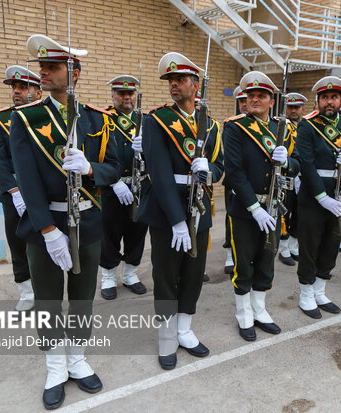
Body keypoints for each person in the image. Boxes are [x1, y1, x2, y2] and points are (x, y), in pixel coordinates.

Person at [10, 34, 121, 409]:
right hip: (46, 225)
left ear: (73, 72)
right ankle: (55, 365)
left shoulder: (97, 119)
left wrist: (92, 168)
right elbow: (25, 179)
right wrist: (46, 229)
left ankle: (76, 358)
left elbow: (115, 168)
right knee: (46, 298)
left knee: (82, 297)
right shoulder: (26, 118)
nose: (43, 72)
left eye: (52, 67)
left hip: (87, 221)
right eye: (42, 66)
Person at [134, 52, 223, 369]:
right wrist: (176, 221)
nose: (174, 85)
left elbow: (221, 167)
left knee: (193, 274)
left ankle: (184, 330)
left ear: (196, 85)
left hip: (199, 208)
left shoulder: (210, 125)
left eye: (181, 79)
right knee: (167, 274)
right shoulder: (155, 120)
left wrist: (208, 168)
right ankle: (167, 337)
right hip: (165, 211)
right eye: (171, 80)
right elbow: (157, 174)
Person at [223, 71, 298, 341]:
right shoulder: (234, 127)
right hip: (245, 208)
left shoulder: (284, 128)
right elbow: (234, 171)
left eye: (261, 96)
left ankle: (259, 309)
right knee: (244, 262)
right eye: (250, 95)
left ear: (271, 100)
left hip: (275, 207)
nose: (255, 99)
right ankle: (244, 315)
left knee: (267, 260)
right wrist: (254, 207)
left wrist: (287, 161)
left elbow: (298, 163)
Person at [294, 76, 341, 318]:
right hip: (315, 197)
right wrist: (322, 196)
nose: (329, 102)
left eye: (334, 97)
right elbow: (306, 163)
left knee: (331, 244)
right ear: (318, 101)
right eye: (325, 98)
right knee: (310, 246)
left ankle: (320, 291)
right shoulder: (307, 125)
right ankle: (306, 293)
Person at [0, 65, 42, 312]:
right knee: (18, 242)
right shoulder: (0, 119)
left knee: (45, 241)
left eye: (24, 87)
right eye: (15, 88)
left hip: (43, 191)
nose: (17, 92)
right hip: (15, 194)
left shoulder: (45, 117)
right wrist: (14, 191)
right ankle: (26, 292)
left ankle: (45, 290)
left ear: (39, 92)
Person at [99, 75, 148, 299]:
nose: (126, 97)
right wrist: (114, 181)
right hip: (113, 188)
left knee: (137, 232)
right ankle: (108, 277)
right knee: (110, 233)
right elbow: (95, 154)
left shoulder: (145, 121)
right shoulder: (102, 119)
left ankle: (131, 274)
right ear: (113, 95)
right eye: (121, 93)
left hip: (140, 187)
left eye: (130, 93)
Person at [223, 86, 249, 275]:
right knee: (232, 218)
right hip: (235, 181)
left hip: (257, 182)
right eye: (241, 101)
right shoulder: (232, 125)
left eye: (248, 99)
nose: (246, 105)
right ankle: (230, 255)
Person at [278, 92, 307, 266]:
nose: (294, 110)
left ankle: (294, 245)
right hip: (287, 174)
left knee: (299, 212)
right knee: (285, 211)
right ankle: (283, 247)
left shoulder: (307, 125)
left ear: (303, 108)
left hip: (303, 176)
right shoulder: (281, 124)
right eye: (291, 107)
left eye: (297, 107)